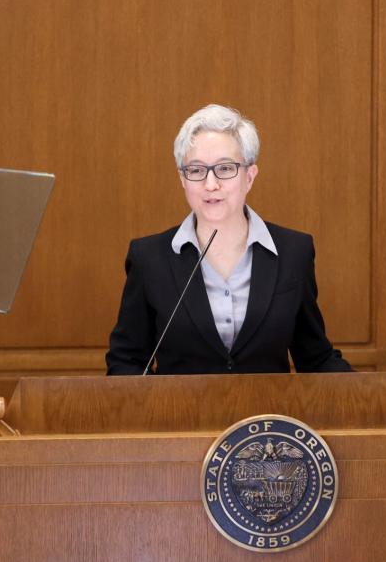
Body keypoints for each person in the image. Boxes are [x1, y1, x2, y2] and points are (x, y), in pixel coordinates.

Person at [106, 104, 352, 375]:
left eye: (225, 168)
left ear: (249, 176)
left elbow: (315, 358)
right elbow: (126, 363)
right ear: (182, 179)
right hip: (180, 416)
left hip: (264, 415)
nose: (211, 184)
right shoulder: (149, 258)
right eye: (197, 170)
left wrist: (371, 396)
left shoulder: (294, 252)